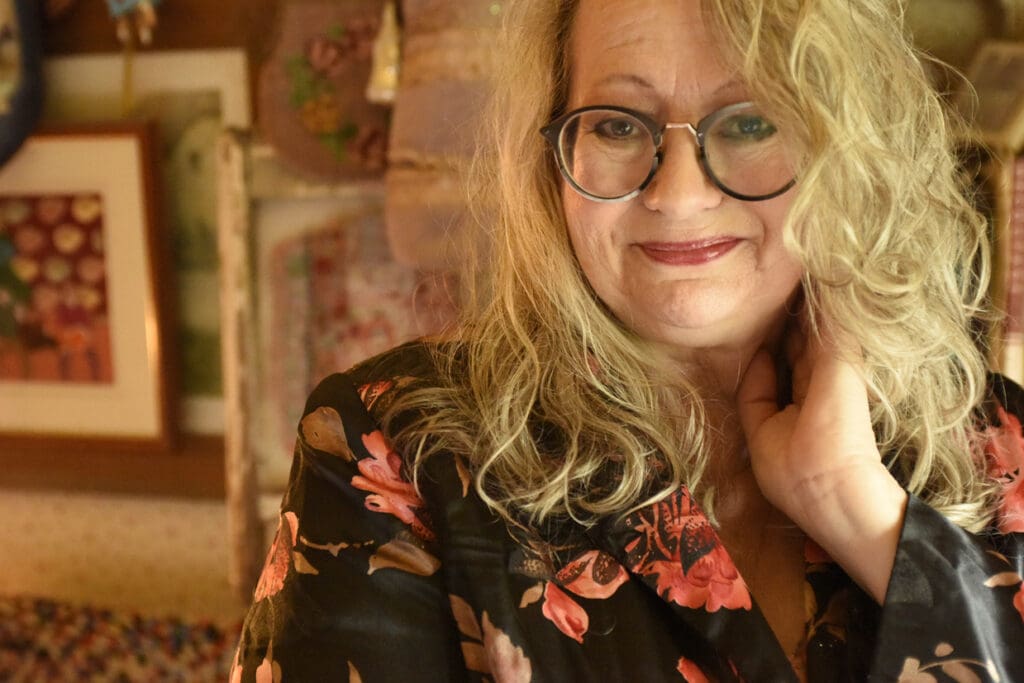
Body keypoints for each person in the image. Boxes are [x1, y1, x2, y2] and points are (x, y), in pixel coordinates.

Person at [230, 0, 1024, 680]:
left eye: (750, 121)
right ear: (552, 158)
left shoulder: (1000, 448)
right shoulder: (390, 451)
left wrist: (860, 513)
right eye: (616, 125)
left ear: (846, 148)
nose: (678, 194)